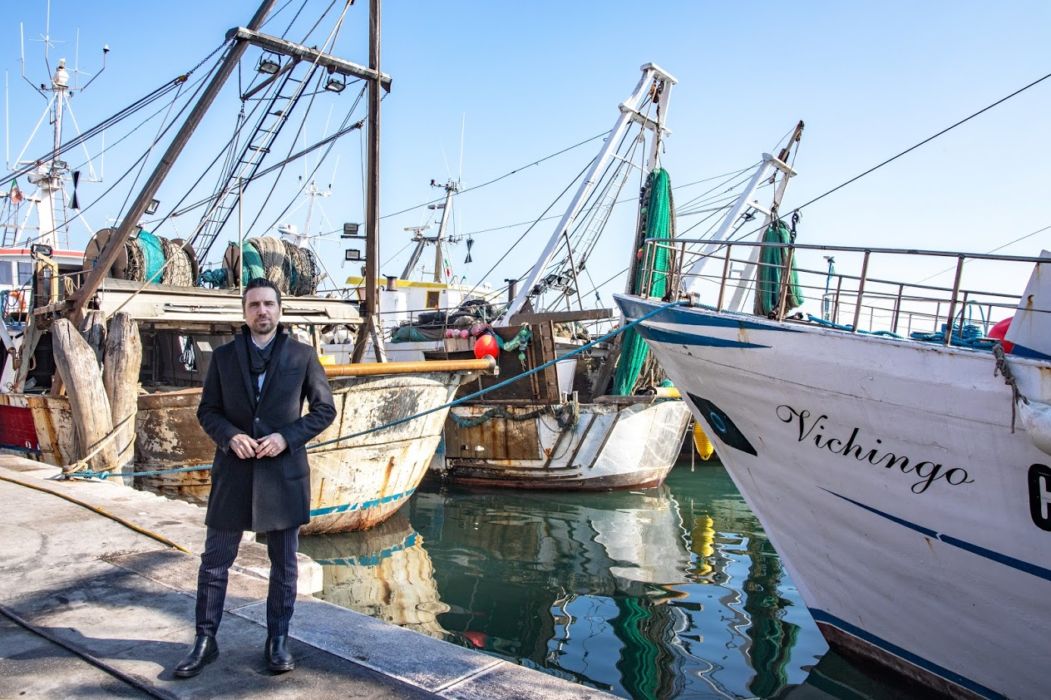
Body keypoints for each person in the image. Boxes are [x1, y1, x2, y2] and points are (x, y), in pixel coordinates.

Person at [174, 277, 336, 678]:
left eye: (268, 304)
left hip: (283, 475)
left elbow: (323, 410)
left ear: (279, 310)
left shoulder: (302, 355)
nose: (261, 311)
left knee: (284, 565)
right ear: (244, 313)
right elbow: (208, 411)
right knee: (214, 561)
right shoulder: (225, 357)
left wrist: (287, 437)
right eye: (254, 306)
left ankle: (277, 639)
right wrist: (230, 437)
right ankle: (205, 641)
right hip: (234, 473)